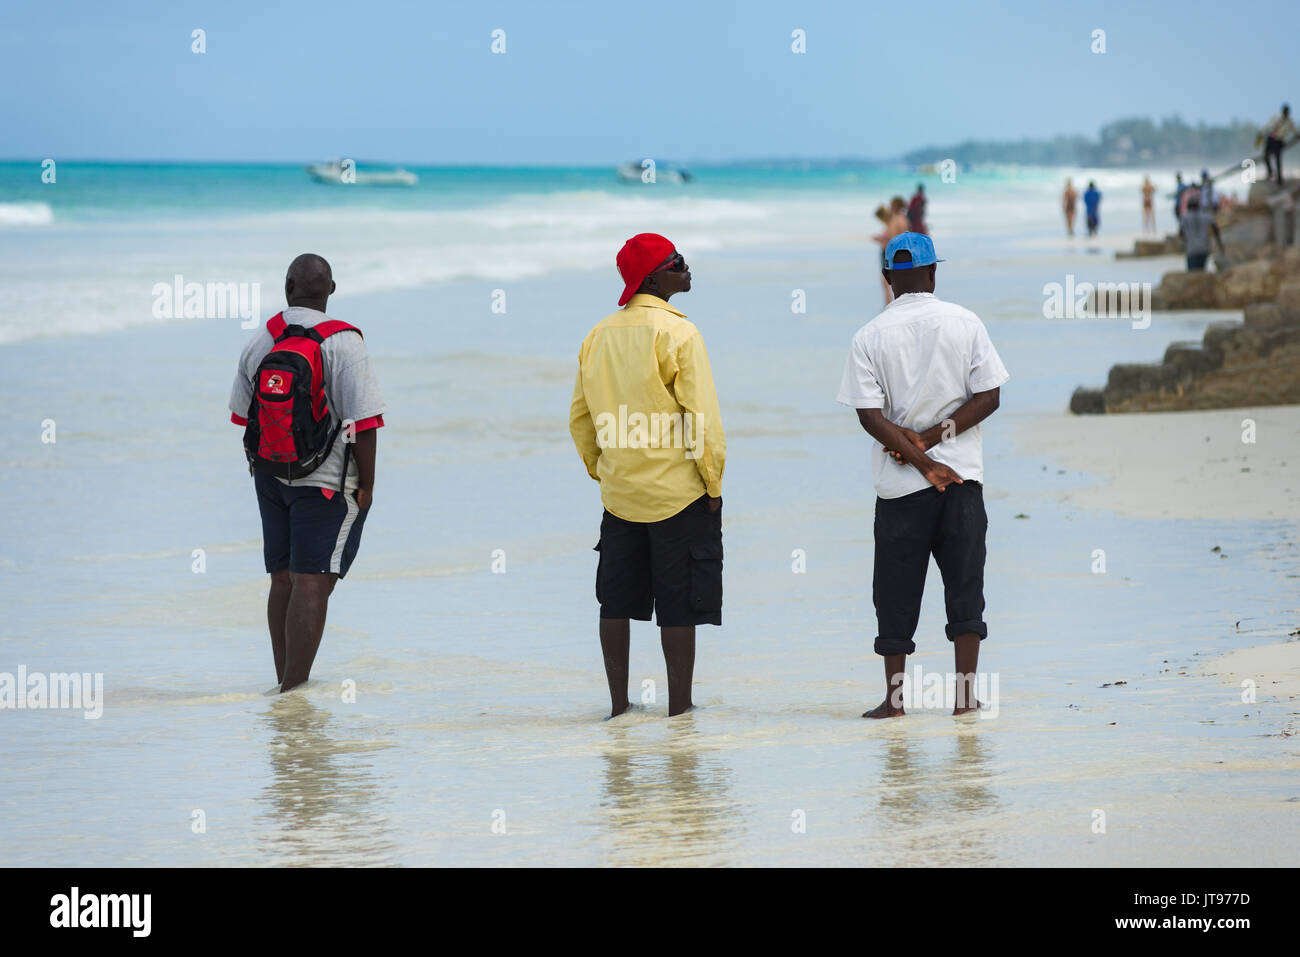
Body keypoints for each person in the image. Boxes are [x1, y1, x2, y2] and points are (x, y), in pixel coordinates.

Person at [838, 233, 1008, 719]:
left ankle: (894, 704)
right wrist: (934, 441)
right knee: (965, 589)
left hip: (899, 494)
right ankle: (965, 698)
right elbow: (989, 396)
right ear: (934, 273)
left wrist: (916, 453)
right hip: (961, 484)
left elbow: (869, 416)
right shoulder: (966, 322)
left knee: (894, 594)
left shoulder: (868, 335)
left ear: (888, 279)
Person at [569, 233, 726, 719]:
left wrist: (605, 471)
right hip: (678, 493)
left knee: (615, 599)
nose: (687, 267)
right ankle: (679, 708)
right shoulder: (680, 333)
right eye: (677, 262)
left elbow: (581, 419)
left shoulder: (598, 334)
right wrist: (713, 483)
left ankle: (619, 706)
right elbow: (702, 420)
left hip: (620, 494)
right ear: (653, 277)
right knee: (679, 601)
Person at [229, 254, 386, 692]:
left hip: (269, 476)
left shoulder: (263, 339)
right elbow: (365, 423)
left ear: (287, 286)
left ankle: (285, 683)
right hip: (327, 484)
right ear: (330, 290)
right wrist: (367, 485)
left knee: (283, 579)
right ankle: (294, 691)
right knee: (313, 582)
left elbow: (242, 417)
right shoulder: (345, 342)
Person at [1179, 191, 1225, 272]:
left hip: (1191, 249)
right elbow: (1216, 229)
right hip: (1204, 248)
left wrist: (1183, 244)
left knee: (1192, 274)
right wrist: (1220, 244)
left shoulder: (1185, 217)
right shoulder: (1206, 215)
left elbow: (1181, 233)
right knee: (1201, 272)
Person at [1259, 104, 1295, 186]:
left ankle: (1279, 179)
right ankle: (1270, 172)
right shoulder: (1277, 117)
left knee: (1278, 160)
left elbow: (1294, 130)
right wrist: (1261, 133)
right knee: (1265, 157)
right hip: (1271, 139)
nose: (1286, 113)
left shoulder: (1290, 121)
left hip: (1279, 141)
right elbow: (1268, 126)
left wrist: (1296, 135)